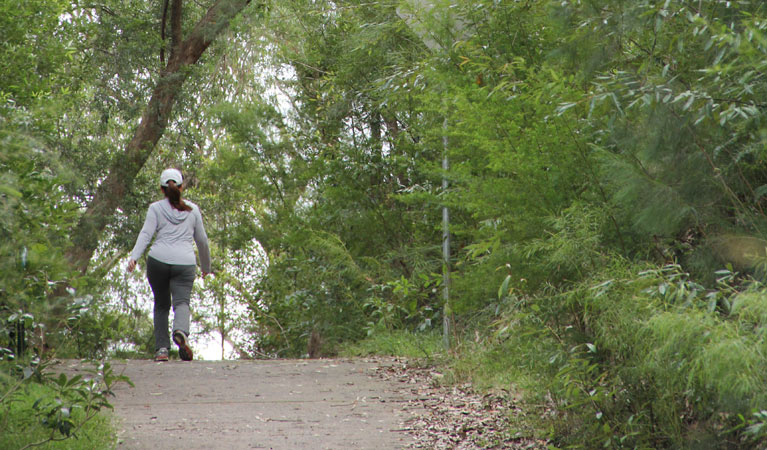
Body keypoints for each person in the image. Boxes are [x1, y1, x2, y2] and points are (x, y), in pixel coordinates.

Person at [127, 168, 211, 362]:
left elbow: (146, 234)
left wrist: (134, 257)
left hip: (158, 261)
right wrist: (206, 267)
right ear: (181, 187)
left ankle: (162, 349)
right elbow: (203, 241)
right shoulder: (192, 210)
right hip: (185, 263)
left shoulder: (156, 208)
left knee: (161, 304)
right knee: (182, 302)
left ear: (161, 189)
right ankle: (181, 331)